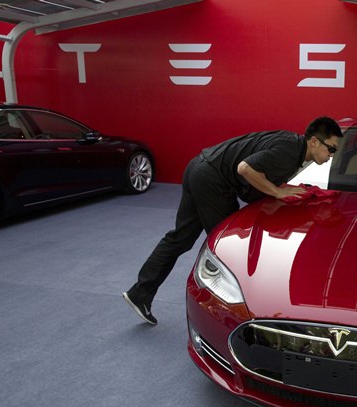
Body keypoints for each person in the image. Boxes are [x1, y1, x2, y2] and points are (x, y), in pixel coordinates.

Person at [123, 116, 343, 325]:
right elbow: (244, 168)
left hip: (199, 168)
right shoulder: (289, 152)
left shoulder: (290, 144)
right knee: (229, 245)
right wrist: (277, 192)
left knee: (181, 238)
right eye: (330, 148)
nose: (332, 155)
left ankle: (140, 294)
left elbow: (249, 185)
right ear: (314, 141)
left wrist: (279, 189)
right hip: (211, 179)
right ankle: (232, 317)